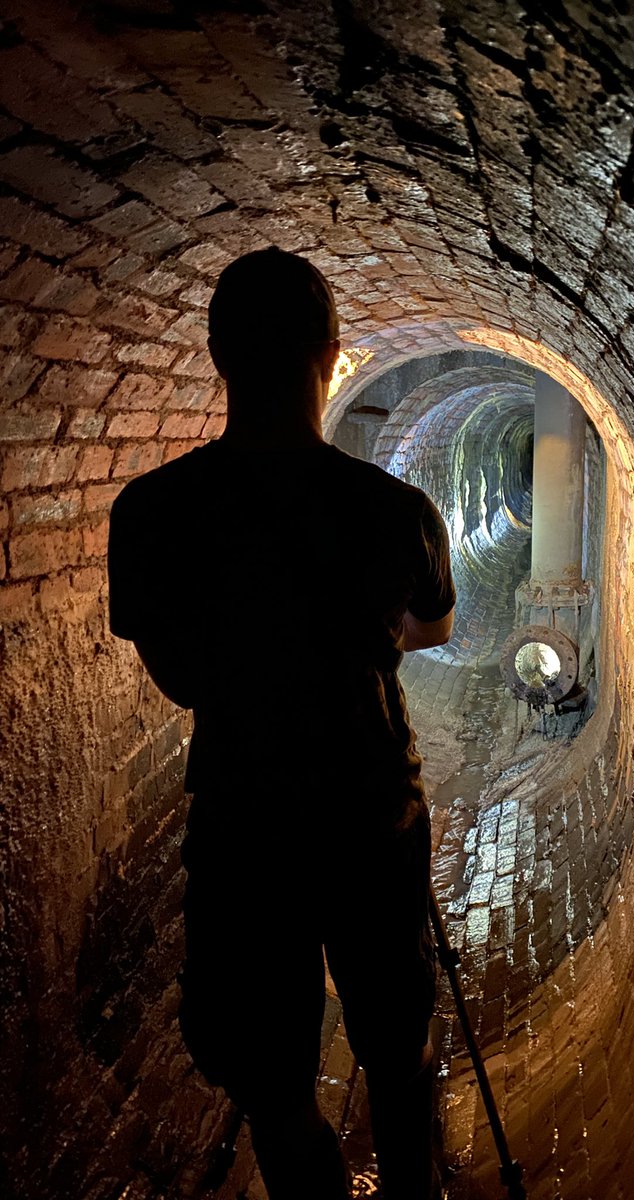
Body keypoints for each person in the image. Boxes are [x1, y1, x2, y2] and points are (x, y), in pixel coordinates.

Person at [107, 248, 456, 1200]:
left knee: (270, 1077)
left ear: (217, 356)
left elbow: (180, 679)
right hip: (372, 815)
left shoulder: (150, 513)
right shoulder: (396, 510)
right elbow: (433, 623)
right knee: (394, 1041)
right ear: (334, 355)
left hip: (243, 825)